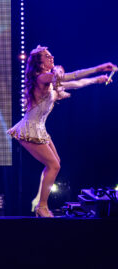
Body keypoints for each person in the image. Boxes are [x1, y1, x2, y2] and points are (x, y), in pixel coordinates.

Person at [8, 45, 115, 217]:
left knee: (55, 163)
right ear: (39, 63)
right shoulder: (42, 77)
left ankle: (40, 203)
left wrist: (97, 79)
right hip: (29, 130)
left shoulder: (51, 82)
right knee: (54, 165)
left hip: (39, 129)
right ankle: (42, 206)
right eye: (47, 56)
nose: (51, 57)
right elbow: (73, 75)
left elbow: (75, 83)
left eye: (51, 55)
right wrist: (98, 68)